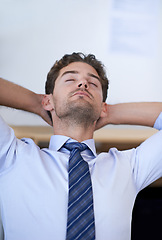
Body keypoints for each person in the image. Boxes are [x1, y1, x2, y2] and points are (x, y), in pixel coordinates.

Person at [0, 52, 162, 240]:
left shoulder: (129, 167)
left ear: (102, 106)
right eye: (70, 79)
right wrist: (36, 103)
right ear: (48, 101)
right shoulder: (12, 156)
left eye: (92, 83)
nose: (83, 84)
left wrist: (109, 112)